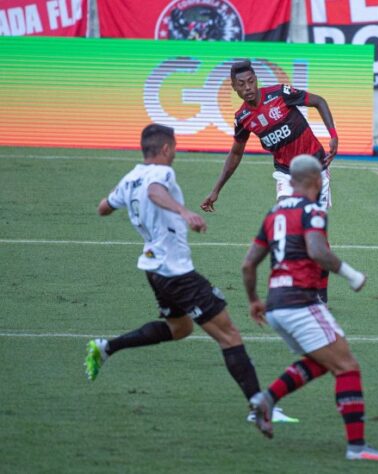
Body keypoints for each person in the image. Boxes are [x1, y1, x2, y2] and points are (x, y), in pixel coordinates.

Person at [85, 123, 295, 425]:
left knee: (179, 328)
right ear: (167, 148)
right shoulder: (161, 175)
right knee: (229, 335)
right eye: (175, 146)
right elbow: (155, 192)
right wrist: (183, 212)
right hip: (176, 273)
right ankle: (258, 406)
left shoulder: (130, 178)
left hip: (154, 269)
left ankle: (106, 348)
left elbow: (103, 208)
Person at [241, 154, 378, 462]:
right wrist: (352, 276)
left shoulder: (274, 213)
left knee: (322, 359)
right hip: (301, 302)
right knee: (347, 366)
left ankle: (266, 400)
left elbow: (248, 264)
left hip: (275, 306)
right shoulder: (314, 210)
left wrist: (254, 300)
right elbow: (318, 251)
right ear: (316, 180)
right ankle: (357, 447)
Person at [201, 60, 338, 212]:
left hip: (315, 166)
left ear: (256, 80)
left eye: (251, 81)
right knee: (285, 216)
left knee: (312, 224)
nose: (247, 88)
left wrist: (333, 135)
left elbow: (319, 101)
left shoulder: (280, 93)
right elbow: (235, 153)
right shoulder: (242, 118)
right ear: (233, 87)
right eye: (241, 84)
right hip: (286, 173)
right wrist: (216, 190)